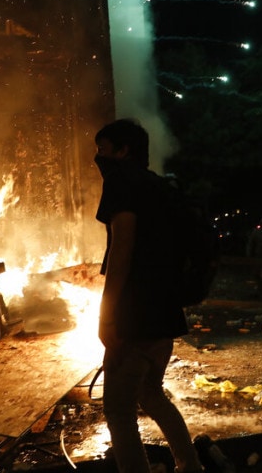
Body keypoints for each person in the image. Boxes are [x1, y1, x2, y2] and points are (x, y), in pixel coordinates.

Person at [93, 118, 204, 473]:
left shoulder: (121, 182)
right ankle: (191, 466)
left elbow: (122, 249)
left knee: (119, 411)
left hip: (135, 316)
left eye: (103, 149)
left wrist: (107, 314)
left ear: (123, 151)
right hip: (165, 312)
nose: (98, 157)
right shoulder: (159, 186)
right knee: (152, 395)